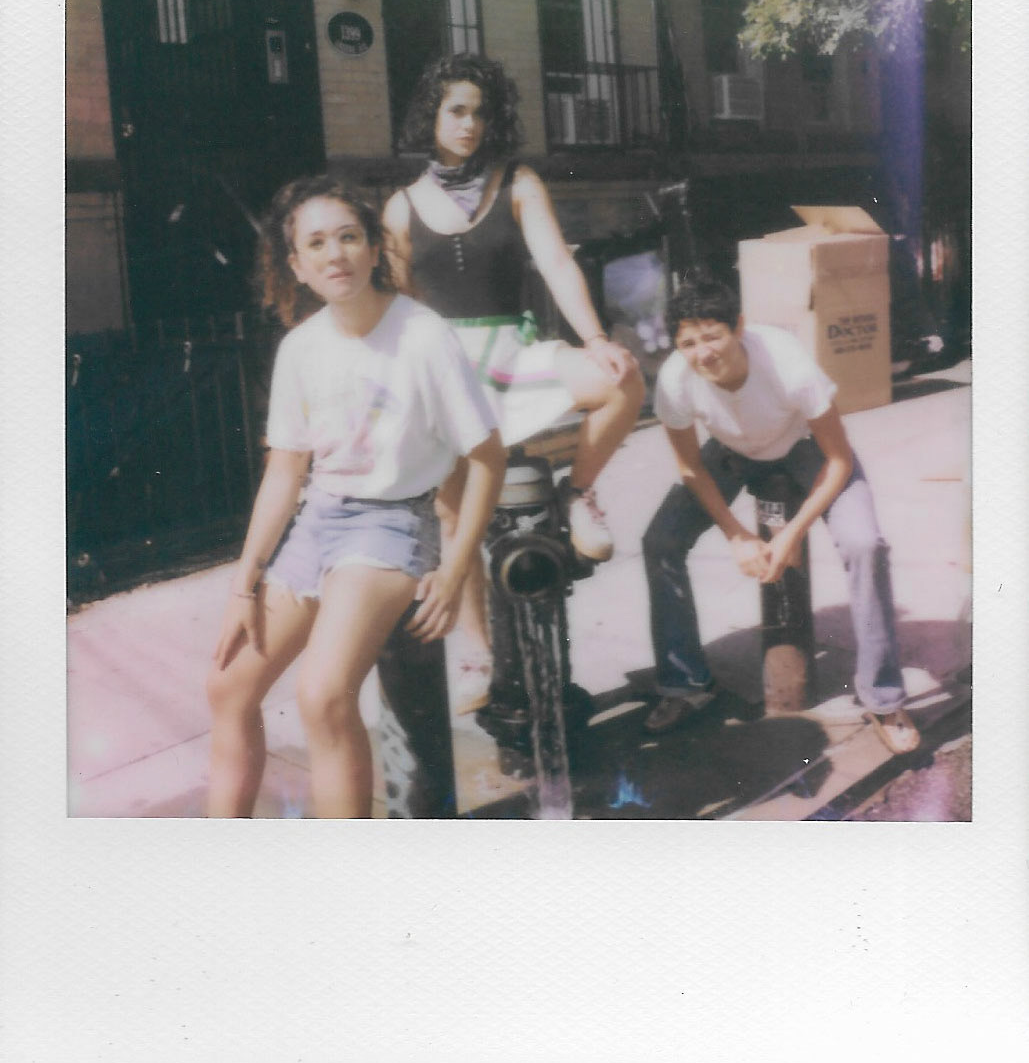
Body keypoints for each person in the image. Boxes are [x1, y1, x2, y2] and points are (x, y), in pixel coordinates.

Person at [205, 174, 505, 817]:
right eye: (316, 244)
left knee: (322, 696)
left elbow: (487, 458)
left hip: (393, 525)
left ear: (374, 248)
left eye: (347, 237)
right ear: (296, 266)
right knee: (228, 687)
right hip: (319, 520)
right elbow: (286, 472)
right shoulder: (301, 348)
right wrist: (244, 584)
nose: (334, 254)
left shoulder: (423, 335)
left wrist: (455, 570)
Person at [383, 54, 645, 700]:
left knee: (622, 383)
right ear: (432, 116)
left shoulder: (518, 183)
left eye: (481, 113)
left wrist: (595, 339)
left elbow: (556, 263)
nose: (469, 125)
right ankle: (475, 652)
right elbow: (400, 307)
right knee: (454, 520)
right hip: (444, 365)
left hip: (513, 349)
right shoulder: (398, 208)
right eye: (456, 111)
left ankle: (577, 494)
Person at [640, 271, 920, 754]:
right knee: (660, 540)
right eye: (688, 343)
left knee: (864, 544)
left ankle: (883, 698)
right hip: (731, 450)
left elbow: (839, 459)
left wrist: (790, 534)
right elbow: (690, 467)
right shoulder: (674, 381)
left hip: (804, 448)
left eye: (713, 336)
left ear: (738, 327)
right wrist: (736, 535)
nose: (703, 353)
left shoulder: (787, 363)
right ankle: (686, 684)